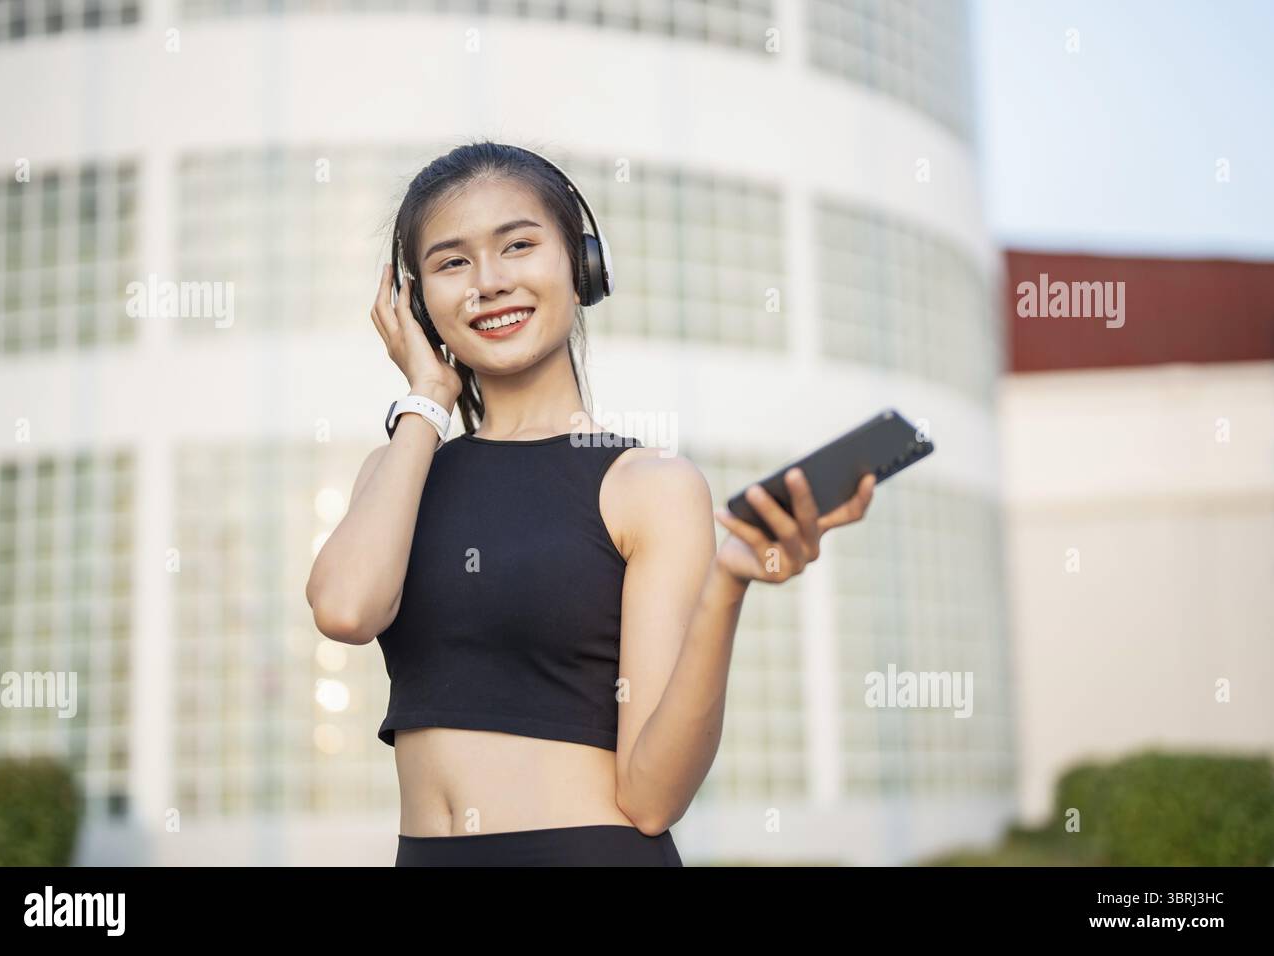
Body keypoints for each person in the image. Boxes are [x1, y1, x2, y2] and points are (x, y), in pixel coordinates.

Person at [304, 140, 877, 866]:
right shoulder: (398, 470)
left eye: (518, 245)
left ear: (582, 266)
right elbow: (346, 609)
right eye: (452, 262)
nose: (488, 281)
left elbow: (652, 796)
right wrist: (427, 399)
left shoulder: (649, 486)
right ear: (413, 301)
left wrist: (727, 582)